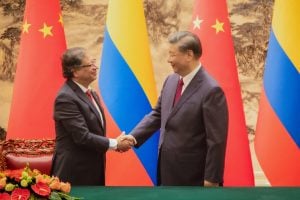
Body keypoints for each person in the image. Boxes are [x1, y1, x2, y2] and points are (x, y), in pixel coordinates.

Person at [127, 31, 228, 186]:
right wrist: (133, 137)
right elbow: (158, 114)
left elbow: (216, 141)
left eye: (172, 55)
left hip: (194, 177)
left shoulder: (211, 90)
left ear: (189, 55)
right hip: (167, 171)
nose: (169, 60)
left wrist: (212, 179)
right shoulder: (171, 80)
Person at [51, 47, 135, 185]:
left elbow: (95, 131)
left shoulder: (91, 93)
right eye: (90, 65)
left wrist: (115, 143)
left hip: (94, 167)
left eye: (94, 62)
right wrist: (115, 143)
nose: (95, 67)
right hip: (74, 173)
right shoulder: (65, 98)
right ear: (75, 71)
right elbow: (82, 137)